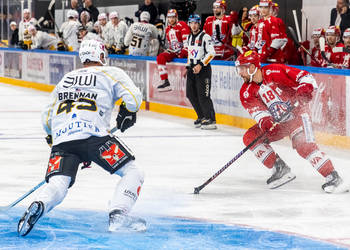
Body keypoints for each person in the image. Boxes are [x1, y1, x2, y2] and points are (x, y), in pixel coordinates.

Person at [17, 39, 145, 237]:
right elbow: (134, 98)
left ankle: (40, 203)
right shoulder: (110, 72)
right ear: (101, 56)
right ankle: (119, 214)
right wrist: (128, 112)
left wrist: (54, 137)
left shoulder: (66, 78)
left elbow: (46, 118)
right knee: (133, 172)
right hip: (96, 139)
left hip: (62, 142)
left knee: (58, 183)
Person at [235, 50, 348, 193]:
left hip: (299, 115)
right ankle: (279, 168)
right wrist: (266, 122)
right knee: (250, 137)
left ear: (252, 67)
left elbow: (305, 77)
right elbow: (258, 113)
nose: (240, 73)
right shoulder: (246, 92)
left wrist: (304, 89)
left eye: (242, 68)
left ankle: (333, 176)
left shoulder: (274, 71)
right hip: (279, 123)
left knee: (304, 146)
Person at [185, 14, 216, 130]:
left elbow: (212, 53)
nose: (193, 25)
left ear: (199, 24)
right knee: (190, 94)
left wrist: (201, 64)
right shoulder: (189, 37)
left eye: (196, 23)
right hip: (192, 68)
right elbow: (190, 53)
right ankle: (202, 116)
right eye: (191, 23)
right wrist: (188, 67)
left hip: (203, 69)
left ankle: (211, 119)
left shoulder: (205, 37)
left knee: (204, 95)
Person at [156, 9, 190, 92]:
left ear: (176, 17)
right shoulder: (167, 29)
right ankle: (165, 81)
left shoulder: (182, 25)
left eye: (173, 17)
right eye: (169, 17)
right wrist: (168, 51)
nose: (171, 19)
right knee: (160, 57)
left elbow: (187, 43)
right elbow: (171, 45)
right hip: (175, 51)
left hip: (185, 52)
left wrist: (182, 53)